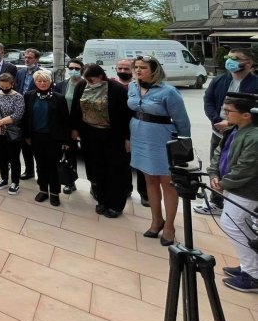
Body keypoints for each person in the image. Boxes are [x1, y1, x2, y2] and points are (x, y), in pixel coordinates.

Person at [127, 55, 191, 246]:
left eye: (143, 67)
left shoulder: (169, 91)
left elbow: (182, 121)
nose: (138, 70)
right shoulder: (132, 87)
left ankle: (170, 226)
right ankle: (156, 220)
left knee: (167, 182)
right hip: (139, 135)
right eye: (136, 67)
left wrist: (183, 145)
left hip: (161, 138)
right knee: (149, 179)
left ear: (154, 70)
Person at [198, 49, 258, 216]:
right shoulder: (219, 80)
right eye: (229, 57)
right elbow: (208, 100)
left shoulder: (255, 83)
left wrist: (231, 122)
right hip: (219, 131)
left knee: (240, 167)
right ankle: (216, 202)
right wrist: (217, 119)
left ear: (249, 63)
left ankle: (242, 206)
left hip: (243, 133)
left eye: (236, 58)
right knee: (217, 164)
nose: (230, 61)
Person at [208, 96, 258, 293]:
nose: (225, 114)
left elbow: (247, 168)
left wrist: (223, 183)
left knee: (232, 224)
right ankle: (250, 266)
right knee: (239, 226)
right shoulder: (234, 130)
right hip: (232, 187)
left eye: (229, 111)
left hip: (246, 191)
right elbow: (218, 153)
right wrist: (213, 174)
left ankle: (253, 275)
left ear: (246, 115)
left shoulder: (254, 137)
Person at [69, 65, 132, 216]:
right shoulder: (82, 85)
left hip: (112, 135)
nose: (89, 83)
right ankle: (102, 200)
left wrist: (127, 138)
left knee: (114, 170)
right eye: (87, 80)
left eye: (92, 79)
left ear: (101, 76)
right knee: (97, 168)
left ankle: (116, 205)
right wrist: (74, 128)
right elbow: (76, 108)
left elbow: (126, 116)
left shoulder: (116, 89)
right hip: (90, 134)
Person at [22, 70, 71, 205]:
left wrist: (67, 141)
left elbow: (65, 121)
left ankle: (55, 193)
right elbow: (26, 117)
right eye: (39, 81)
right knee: (40, 165)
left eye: (45, 81)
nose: (42, 83)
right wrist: (26, 135)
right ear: (35, 82)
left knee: (52, 166)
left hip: (53, 138)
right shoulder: (29, 96)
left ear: (50, 82)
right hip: (36, 137)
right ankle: (43, 190)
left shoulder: (59, 98)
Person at [112, 58, 149, 207]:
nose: (122, 71)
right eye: (120, 68)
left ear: (132, 70)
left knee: (141, 164)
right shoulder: (112, 85)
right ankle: (126, 189)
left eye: (126, 69)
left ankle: (145, 194)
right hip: (118, 131)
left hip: (139, 130)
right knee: (123, 163)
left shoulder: (140, 86)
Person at [0, 73, 25, 195]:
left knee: (14, 158)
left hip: (12, 133)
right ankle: (4, 178)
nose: (4, 89)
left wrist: (0, 122)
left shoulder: (18, 97)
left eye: (6, 86)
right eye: (1, 86)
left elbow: (18, 114)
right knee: (1, 156)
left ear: (12, 84)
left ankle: (15, 182)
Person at [55, 58, 84, 195]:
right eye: (71, 68)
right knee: (62, 154)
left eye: (77, 68)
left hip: (77, 125)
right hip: (61, 125)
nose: (73, 70)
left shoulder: (85, 85)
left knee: (72, 154)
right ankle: (65, 180)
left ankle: (72, 182)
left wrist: (77, 129)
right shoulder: (61, 84)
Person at [14, 48, 42, 180]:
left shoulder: (42, 74)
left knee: (36, 145)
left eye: (30, 57)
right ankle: (29, 170)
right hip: (21, 112)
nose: (26, 59)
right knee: (24, 143)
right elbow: (17, 89)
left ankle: (40, 172)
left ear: (36, 59)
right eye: (25, 57)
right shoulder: (20, 72)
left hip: (35, 112)